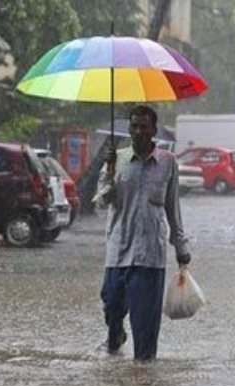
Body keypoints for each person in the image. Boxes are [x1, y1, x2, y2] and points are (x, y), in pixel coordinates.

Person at [93, 105, 191, 361]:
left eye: (143, 127)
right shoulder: (116, 160)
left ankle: (143, 382)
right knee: (112, 305)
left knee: (146, 332)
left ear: (154, 130)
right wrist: (108, 184)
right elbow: (100, 203)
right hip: (118, 250)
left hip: (150, 255)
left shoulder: (167, 163)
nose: (138, 132)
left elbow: (172, 207)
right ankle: (116, 335)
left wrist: (181, 247)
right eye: (133, 126)